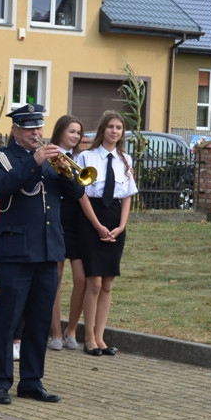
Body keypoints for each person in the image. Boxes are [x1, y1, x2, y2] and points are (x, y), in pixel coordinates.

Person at [0, 104, 83, 405]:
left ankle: (31, 380)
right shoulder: (1, 157)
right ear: (15, 130)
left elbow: (77, 193)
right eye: (29, 129)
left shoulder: (54, 159)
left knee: (40, 321)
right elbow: (0, 188)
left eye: (38, 128)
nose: (36, 134)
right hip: (15, 252)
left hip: (47, 250)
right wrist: (34, 162)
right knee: (7, 320)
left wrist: (63, 169)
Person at [76, 111, 137, 357]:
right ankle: (88, 337)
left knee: (108, 283)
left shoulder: (125, 159)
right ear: (103, 129)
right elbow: (81, 194)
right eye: (111, 127)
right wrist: (97, 225)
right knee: (95, 282)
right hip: (92, 220)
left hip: (115, 222)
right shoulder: (87, 156)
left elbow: (127, 196)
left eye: (119, 128)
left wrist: (121, 226)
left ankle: (101, 337)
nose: (115, 131)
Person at [48, 115, 88, 351]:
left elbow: (82, 189)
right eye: (71, 131)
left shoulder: (80, 158)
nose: (75, 136)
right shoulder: (49, 153)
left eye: (78, 132)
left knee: (82, 278)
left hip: (76, 221)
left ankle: (71, 329)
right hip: (56, 217)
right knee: (56, 278)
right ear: (60, 131)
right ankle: (55, 333)